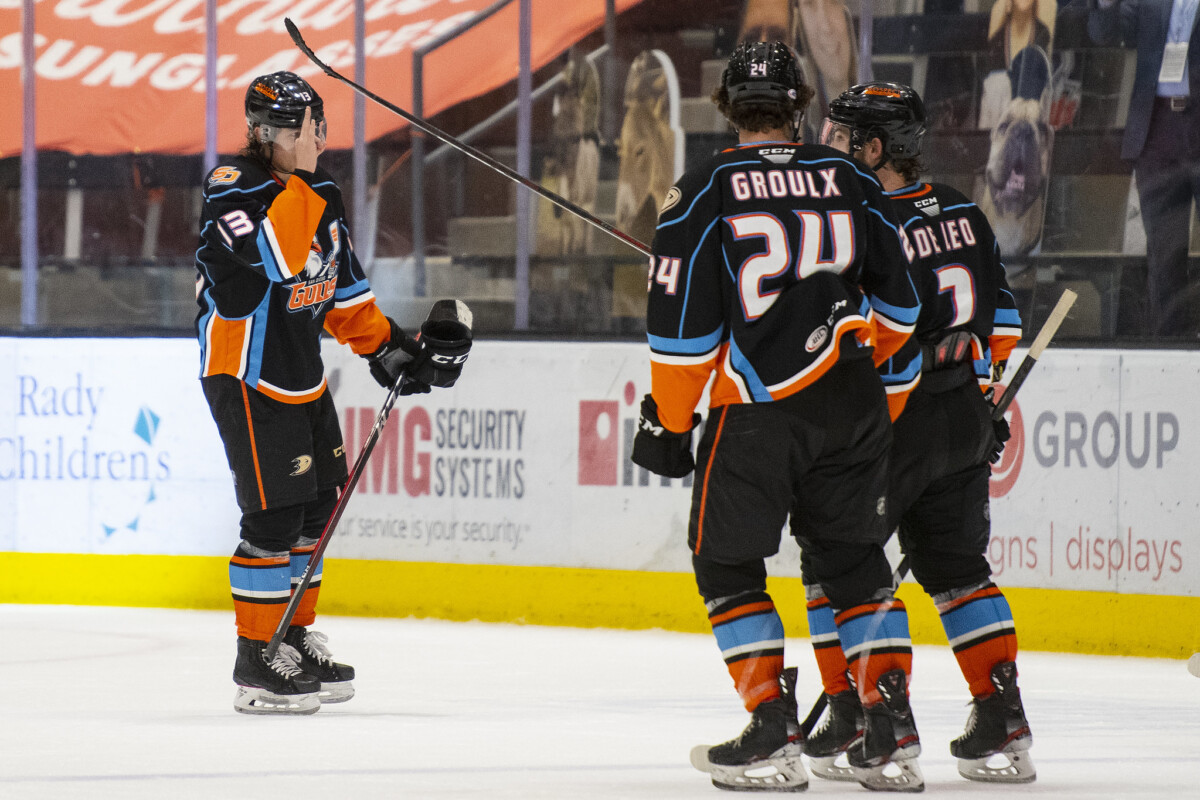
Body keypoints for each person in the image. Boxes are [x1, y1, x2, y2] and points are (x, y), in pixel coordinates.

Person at [631, 42, 924, 792]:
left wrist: (669, 423)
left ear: (727, 107)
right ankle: (886, 724)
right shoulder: (855, 177)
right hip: (854, 402)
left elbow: (682, 338)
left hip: (758, 411)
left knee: (726, 561)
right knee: (855, 560)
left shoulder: (702, 191)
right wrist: (839, 352)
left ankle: (770, 724)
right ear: (799, 107)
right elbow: (901, 309)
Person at [194, 71, 470, 715]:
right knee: (272, 517)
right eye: (304, 128)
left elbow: (341, 290)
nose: (318, 137)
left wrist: (392, 348)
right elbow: (283, 258)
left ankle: (289, 634)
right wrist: (302, 182)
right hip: (246, 373)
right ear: (267, 133)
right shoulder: (231, 190)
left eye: (317, 125)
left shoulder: (318, 191)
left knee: (316, 507)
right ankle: (256, 659)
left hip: (300, 372)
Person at [804, 81, 1035, 784]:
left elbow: (848, 336)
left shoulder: (862, 221)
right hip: (963, 413)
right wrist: (985, 400)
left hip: (891, 418)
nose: (826, 145)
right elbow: (1002, 326)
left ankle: (866, 716)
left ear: (875, 149)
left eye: (841, 137)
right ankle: (1004, 717)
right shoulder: (966, 212)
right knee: (960, 572)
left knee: (836, 563)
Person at [1088, 0, 1200, 337]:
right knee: (1164, 256)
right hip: (1158, 129)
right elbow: (1104, 34)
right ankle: (1167, 349)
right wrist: (1105, 5)